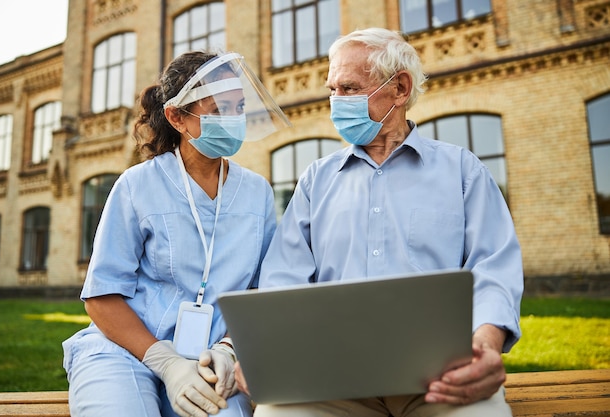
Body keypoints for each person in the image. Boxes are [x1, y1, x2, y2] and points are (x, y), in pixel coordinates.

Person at [236, 28, 524, 417]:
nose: (336, 101)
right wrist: (268, 350)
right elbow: (283, 278)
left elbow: (493, 269)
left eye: (349, 88)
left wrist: (487, 345)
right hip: (328, 377)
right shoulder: (315, 180)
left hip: (442, 377)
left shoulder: (462, 171)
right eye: (332, 89)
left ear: (400, 88)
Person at [62, 51, 289, 417]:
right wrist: (166, 363)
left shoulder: (257, 192)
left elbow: (262, 291)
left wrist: (230, 348)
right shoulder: (137, 185)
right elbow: (101, 298)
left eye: (238, 107)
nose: (232, 120)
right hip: (123, 350)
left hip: (208, 358)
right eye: (217, 110)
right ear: (177, 117)